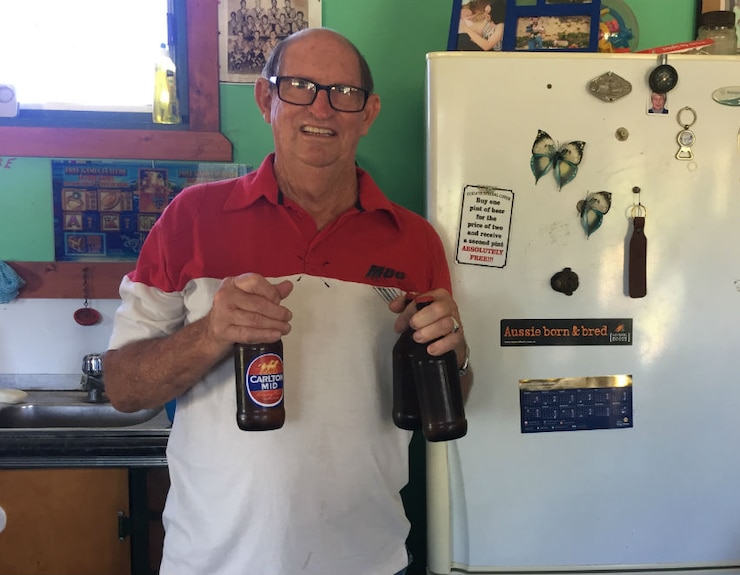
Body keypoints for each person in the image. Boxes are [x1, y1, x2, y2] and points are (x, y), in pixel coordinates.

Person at [103, 28, 472, 575]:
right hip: (212, 562)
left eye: (343, 93)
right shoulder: (190, 219)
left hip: (366, 559)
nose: (321, 107)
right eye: (300, 86)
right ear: (265, 99)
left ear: (367, 113)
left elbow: (448, 396)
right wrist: (210, 334)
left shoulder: (414, 240)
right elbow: (123, 389)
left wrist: (456, 356)